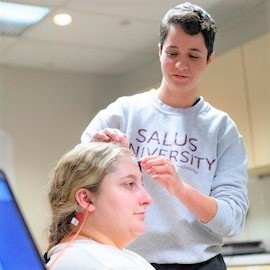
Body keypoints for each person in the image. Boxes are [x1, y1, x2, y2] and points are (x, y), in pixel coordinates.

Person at [80, 2, 249, 269]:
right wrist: (105, 158)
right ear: (159, 51)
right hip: (130, 261)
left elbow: (232, 221)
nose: (181, 64)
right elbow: (77, 184)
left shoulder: (221, 129)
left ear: (209, 58)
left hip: (202, 263)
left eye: (193, 55)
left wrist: (180, 189)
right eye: (172, 53)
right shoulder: (122, 113)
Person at [45, 142, 154, 270]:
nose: (147, 199)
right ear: (86, 199)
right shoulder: (98, 263)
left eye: (141, 184)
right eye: (129, 184)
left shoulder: (115, 258)